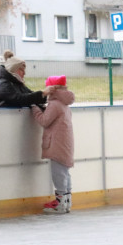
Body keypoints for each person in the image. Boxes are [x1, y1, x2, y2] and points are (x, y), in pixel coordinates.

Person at [30, 75, 75, 215]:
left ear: (53, 88)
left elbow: (44, 121)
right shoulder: (64, 104)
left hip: (56, 144)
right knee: (64, 173)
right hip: (64, 143)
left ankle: (60, 202)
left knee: (58, 173)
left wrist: (35, 109)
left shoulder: (55, 104)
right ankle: (66, 200)